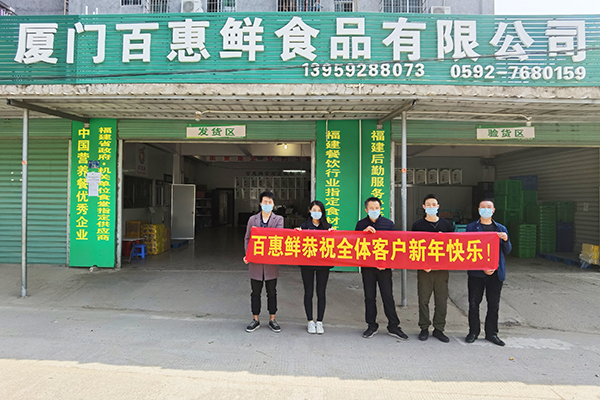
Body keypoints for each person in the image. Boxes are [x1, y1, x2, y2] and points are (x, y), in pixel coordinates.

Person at [356, 197, 408, 340]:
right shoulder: (361, 224)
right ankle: (371, 325)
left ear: (380, 209)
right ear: (366, 210)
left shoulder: (388, 224)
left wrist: (387, 262)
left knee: (387, 296)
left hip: (384, 267)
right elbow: (355, 244)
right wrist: (363, 233)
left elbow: (394, 245)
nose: (374, 210)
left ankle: (393, 326)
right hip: (368, 267)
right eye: (371, 208)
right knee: (369, 297)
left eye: (376, 208)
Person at [465, 199, 512, 346]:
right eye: (483, 207)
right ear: (479, 210)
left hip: (496, 273)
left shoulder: (501, 229)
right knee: (474, 303)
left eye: (488, 207)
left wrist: (506, 240)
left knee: (493, 304)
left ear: (493, 210)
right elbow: (466, 250)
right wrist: (481, 267)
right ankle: (473, 332)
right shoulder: (471, 228)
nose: (486, 209)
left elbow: (507, 251)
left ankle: (491, 333)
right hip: (476, 273)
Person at [411, 194, 454, 343]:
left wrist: (445, 239)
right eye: (428, 205)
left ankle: (439, 329)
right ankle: (424, 327)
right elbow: (413, 247)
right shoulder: (418, 225)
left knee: (441, 301)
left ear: (438, 206)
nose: (431, 207)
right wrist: (422, 264)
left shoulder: (446, 225)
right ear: (423, 207)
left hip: (442, 269)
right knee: (423, 300)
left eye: (434, 204)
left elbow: (454, 246)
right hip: (425, 269)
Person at [243, 191, 284, 333]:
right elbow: (248, 238)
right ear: (260, 203)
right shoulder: (252, 219)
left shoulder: (278, 219)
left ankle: (272, 319)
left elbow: (278, 237)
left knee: (272, 292)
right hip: (255, 263)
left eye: (270, 202)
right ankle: (255, 319)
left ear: (273, 204)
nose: (267, 204)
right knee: (255, 292)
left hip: (271, 263)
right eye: (265, 202)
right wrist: (248, 254)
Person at [295, 200, 334, 334]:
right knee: (308, 292)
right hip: (307, 264)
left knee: (321, 292)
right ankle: (310, 321)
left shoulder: (328, 227)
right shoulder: (303, 226)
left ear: (322, 212)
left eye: (319, 210)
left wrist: (333, 234)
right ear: (310, 211)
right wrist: (297, 234)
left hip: (323, 265)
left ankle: (320, 321)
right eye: (314, 210)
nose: (316, 213)